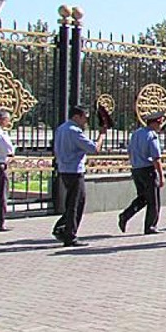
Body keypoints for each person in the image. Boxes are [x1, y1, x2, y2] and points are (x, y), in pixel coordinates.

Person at [52, 105, 107, 247]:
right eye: (84, 118)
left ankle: (63, 228)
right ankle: (69, 235)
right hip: (74, 170)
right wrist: (102, 135)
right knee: (76, 203)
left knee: (72, 202)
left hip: (64, 169)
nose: (86, 122)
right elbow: (94, 148)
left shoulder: (62, 128)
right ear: (77, 117)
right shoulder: (74, 131)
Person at [118, 110, 166, 235]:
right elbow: (156, 158)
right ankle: (150, 226)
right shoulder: (151, 135)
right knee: (153, 200)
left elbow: (130, 151)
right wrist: (161, 176)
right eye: (160, 123)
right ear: (156, 122)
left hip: (136, 170)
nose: (161, 125)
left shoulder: (136, 133)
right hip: (148, 171)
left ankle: (126, 215)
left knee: (143, 198)